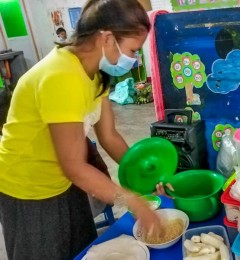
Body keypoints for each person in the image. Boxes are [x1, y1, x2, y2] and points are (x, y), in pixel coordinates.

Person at [0, 0, 166, 259]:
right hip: (28, 187)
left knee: (82, 249)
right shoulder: (61, 77)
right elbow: (75, 167)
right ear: (108, 39)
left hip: (65, 181)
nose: (134, 60)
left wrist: (146, 175)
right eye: (133, 50)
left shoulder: (95, 73)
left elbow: (108, 136)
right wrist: (131, 200)